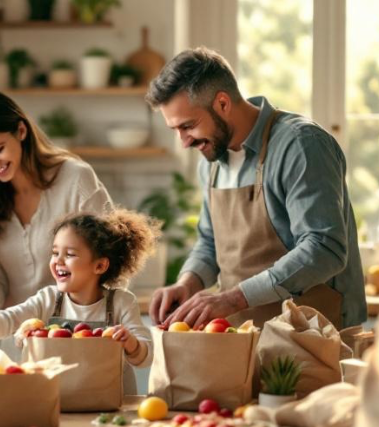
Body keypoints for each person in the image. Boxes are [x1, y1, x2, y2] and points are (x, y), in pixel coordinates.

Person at [146, 47, 366, 330]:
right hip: (243, 339)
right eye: (175, 129)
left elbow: (324, 248)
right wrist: (188, 283)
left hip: (316, 337)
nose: (184, 142)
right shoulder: (211, 162)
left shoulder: (300, 144)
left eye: (188, 126)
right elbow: (210, 242)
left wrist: (234, 299)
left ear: (222, 104)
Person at [0, 88, 113, 357]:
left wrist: (94, 325)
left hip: (81, 337)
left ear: (21, 131)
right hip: (19, 345)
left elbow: (112, 261)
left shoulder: (75, 179)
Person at [0, 209, 160, 394]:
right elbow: (11, 318)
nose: (58, 260)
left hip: (114, 404)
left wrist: (131, 343)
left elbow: (145, 357)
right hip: (62, 400)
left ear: (99, 265)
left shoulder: (121, 302)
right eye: (55, 252)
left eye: (70, 254)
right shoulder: (48, 299)